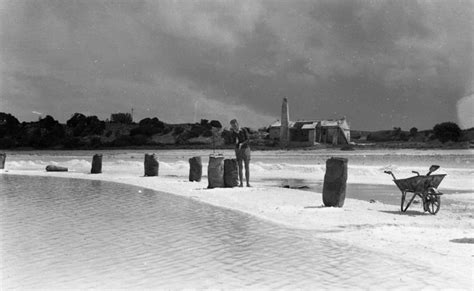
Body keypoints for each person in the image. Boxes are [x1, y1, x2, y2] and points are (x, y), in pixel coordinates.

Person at [230, 119, 251, 187]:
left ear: (237, 124)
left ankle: (247, 183)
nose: (234, 127)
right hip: (238, 150)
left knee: (247, 166)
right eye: (233, 126)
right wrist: (235, 141)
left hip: (246, 149)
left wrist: (242, 143)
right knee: (240, 167)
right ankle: (241, 183)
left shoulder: (243, 130)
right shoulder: (233, 132)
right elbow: (232, 141)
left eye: (235, 125)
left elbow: (248, 139)